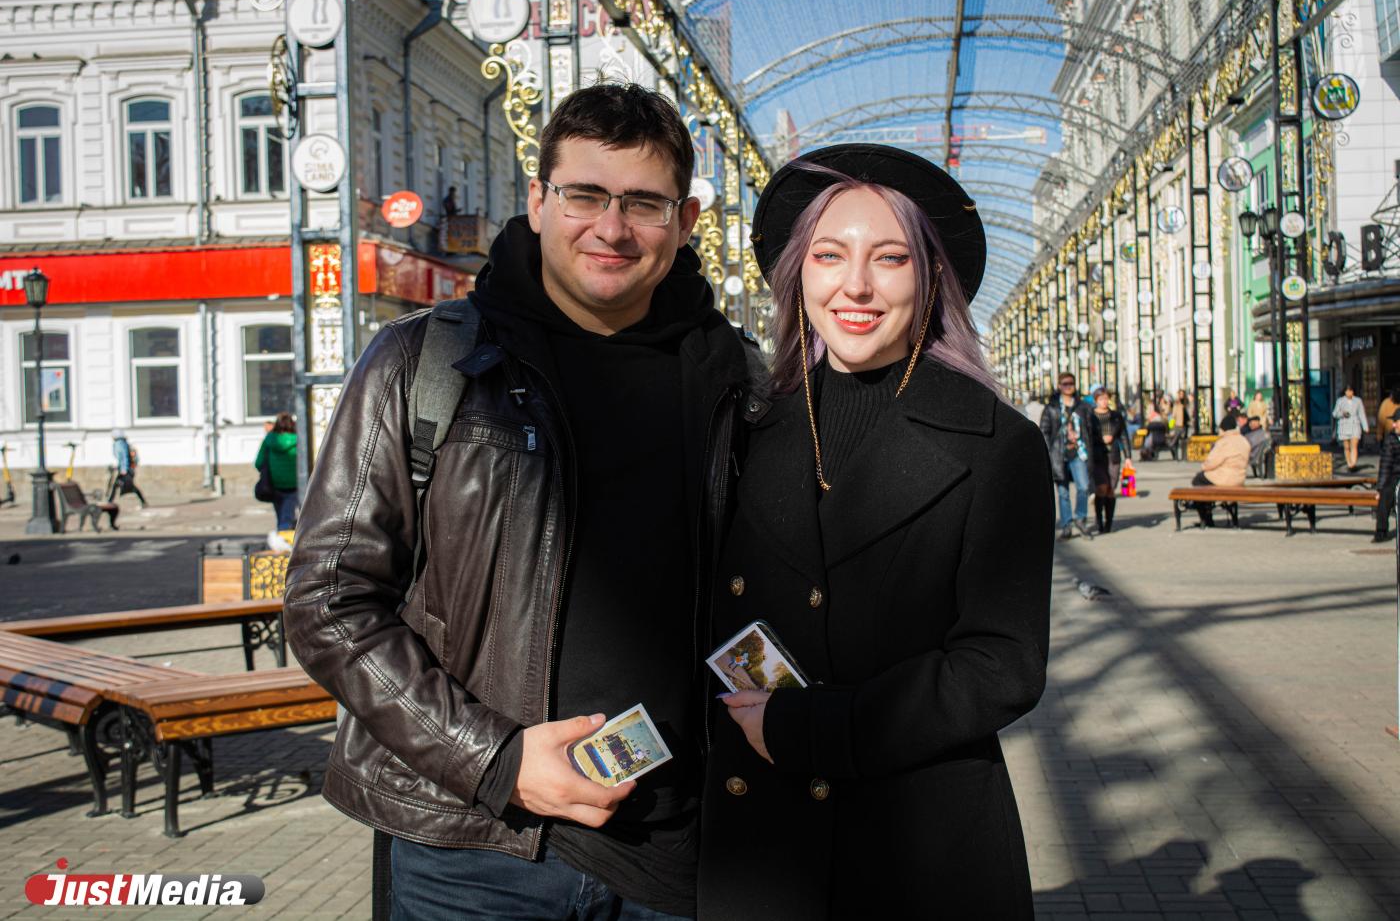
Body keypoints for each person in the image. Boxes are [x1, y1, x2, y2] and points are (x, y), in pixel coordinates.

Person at [284, 84, 763, 920]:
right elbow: (329, 599)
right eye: (585, 195)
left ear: (685, 221)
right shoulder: (423, 364)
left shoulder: (741, 384)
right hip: (471, 852)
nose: (611, 229)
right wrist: (495, 758)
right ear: (539, 201)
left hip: (681, 853)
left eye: (644, 204)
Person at [699, 145, 1052, 920]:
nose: (855, 284)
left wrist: (814, 726)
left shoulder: (998, 443)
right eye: (829, 255)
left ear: (929, 280)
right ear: (800, 274)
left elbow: (1003, 665)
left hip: (921, 850)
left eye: (889, 258)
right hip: (763, 850)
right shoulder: (749, 428)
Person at [1041, 371, 1099, 539]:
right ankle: (1067, 525)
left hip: (1078, 453)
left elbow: (1090, 430)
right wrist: (1046, 455)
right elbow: (1044, 432)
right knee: (1063, 492)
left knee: (1083, 487)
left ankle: (1080, 518)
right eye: (1065, 384)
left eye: (1071, 384)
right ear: (1059, 386)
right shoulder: (1051, 408)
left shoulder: (1082, 407)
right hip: (1058, 454)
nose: (1068, 387)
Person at [1189, 413, 1251, 526]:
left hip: (1224, 479)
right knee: (1204, 480)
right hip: (1239, 480)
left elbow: (1211, 463)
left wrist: (1203, 467)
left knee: (1198, 480)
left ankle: (1206, 516)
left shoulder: (1224, 442)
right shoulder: (1244, 441)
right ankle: (1223, 514)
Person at [1090, 387, 1130, 534]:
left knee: (1111, 489)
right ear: (1096, 400)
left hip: (1113, 456)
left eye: (1106, 399)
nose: (1104, 402)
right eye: (1101, 399)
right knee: (1101, 487)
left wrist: (1128, 457)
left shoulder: (1116, 416)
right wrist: (1101, 439)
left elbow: (1124, 437)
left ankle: (1109, 523)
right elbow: (1088, 436)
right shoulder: (1091, 416)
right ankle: (1099, 520)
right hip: (1098, 456)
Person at [254, 412, 299, 531]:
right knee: (287, 516)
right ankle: (285, 541)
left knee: (281, 516)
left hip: (273, 484)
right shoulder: (299, 440)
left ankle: (282, 539)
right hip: (294, 484)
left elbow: (258, 463)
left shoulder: (269, 439)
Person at [1375, 415, 1400, 541]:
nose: (1394, 425)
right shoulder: (1391, 439)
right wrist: (1380, 488)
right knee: (1385, 497)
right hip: (1395, 477)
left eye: (1396, 422)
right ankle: (1381, 531)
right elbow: (1385, 465)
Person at [1333, 385, 1368, 472]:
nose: (1349, 393)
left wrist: (1365, 426)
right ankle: (1349, 462)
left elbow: (1361, 414)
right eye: (1347, 391)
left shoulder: (1358, 401)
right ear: (1345, 392)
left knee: (1354, 445)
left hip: (1355, 424)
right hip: (1344, 425)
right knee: (1346, 446)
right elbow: (1335, 413)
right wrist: (1342, 414)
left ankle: (1353, 463)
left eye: (1351, 391)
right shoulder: (1340, 401)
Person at [108, 429, 147, 508]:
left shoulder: (119, 444)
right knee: (119, 485)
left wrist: (124, 469)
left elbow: (124, 457)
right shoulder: (123, 443)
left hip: (125, 470)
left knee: (128, 486)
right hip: (126, 468)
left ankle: (109, 501)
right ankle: (110, 501)